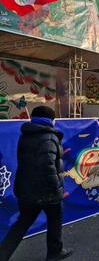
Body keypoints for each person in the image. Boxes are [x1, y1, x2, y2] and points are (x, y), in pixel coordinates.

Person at [0, 106, 73, 261]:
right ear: (50, 120)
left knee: (22, 223)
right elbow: (48, 168)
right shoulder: (49, 137)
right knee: (55, 219)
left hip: (26, 189)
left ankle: (3, 254)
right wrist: (57, 189)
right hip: (48, 192)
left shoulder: (25, 135)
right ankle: (54, 252)